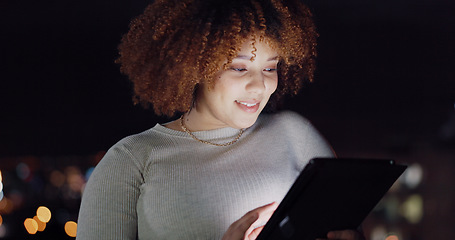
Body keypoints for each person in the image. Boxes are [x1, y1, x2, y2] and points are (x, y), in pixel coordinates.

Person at [76, 0, 365, 239]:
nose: (259, 86)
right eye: (239, 68)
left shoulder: (294, 135)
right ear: (194, 66)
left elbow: (347, 228)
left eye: (269, 68)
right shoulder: (131, 160)